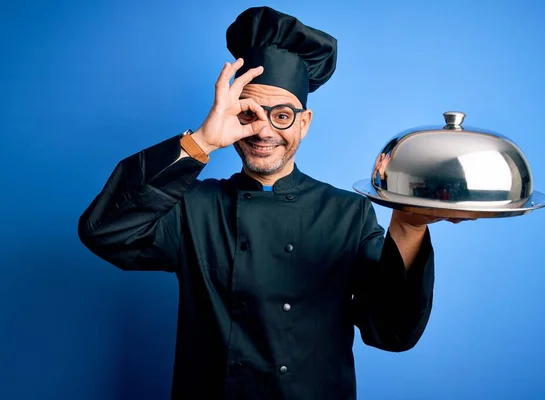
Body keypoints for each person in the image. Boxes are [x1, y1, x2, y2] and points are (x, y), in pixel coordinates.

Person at [78, 6, 451, 400]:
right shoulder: (193, 206)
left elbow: (392, 330)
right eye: (249, 112)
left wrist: (408, 225)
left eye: (283, 115)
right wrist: (201, 140)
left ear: (304, 123)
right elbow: (103, 232)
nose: (264, 130)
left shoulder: (348, 213)